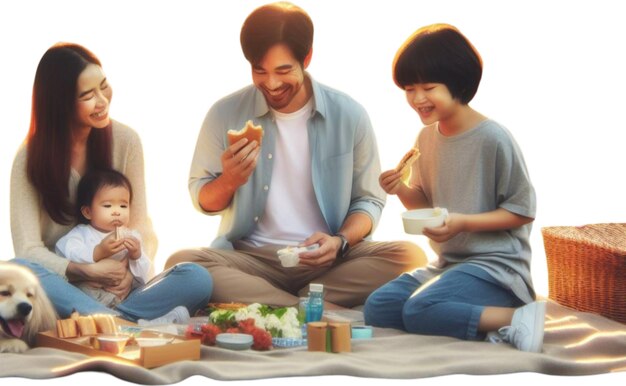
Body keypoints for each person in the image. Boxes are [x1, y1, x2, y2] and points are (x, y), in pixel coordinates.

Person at [166, 2, 426, 308]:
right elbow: (203, 199)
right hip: (251, 262)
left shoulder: (349, 114)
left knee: (410, 256)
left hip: (330, 262)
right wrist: (229, 180)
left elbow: (369, 201)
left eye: (284, 70)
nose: (272, 84)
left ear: (307, 58)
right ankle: (304, 306)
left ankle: (278, 305)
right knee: (181, 263)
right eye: (259, 71)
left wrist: (339, 241)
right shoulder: (224, 114)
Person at [363, 24, 545, 352]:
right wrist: (401, 189)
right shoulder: (427, 138)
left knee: (419, 310)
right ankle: (471, 316)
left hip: (496, 269)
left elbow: (522, 210)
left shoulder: (493, 139)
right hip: (449, 265)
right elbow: (426, 207)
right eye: (409, 89)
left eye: (428, 87)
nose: (417, 99)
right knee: (379, 308)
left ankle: (515, 316)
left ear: (457, 83)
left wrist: (463, 222)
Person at [10, 43, 212, 323]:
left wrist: (128, 273)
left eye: (104, 86)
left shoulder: (126, 141)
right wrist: (85, 270)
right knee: (20, 268)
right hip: (64, 287)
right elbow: (28, 250)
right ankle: (124, 325)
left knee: (196, 277)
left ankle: (106, 321)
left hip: (122, 288)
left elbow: (141, 226)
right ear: (60, 103)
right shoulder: (29, 158)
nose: (102, 100)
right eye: (87, 95)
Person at [55, 169, 151, 308]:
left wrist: (137, 256)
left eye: (123, 205)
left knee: (144, 291)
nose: (117, 211)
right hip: (92, 294)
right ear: (88, 212)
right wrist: (98, 252)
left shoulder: (132, 236)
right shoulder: (82, 233)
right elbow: (66, 252)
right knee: (81, 290)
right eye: (108, 205)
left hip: (124, 294)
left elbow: (145, 273)